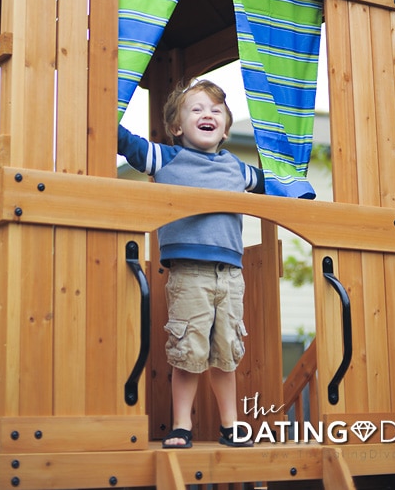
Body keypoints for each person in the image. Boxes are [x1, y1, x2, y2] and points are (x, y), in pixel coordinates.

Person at [117, 78, 312, 449]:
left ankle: (230, 425)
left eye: (216, 110)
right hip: (189, 272)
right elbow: (127, 144)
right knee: (188, 353)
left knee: (226, 355)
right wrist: (108, 109)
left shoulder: (236, 170)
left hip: (231, 275)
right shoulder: (168, 158)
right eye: (197, 109)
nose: (208, 114)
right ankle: (181, 426)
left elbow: (274, 183)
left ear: (224, 127)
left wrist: (297, 184)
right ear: (177, 127)